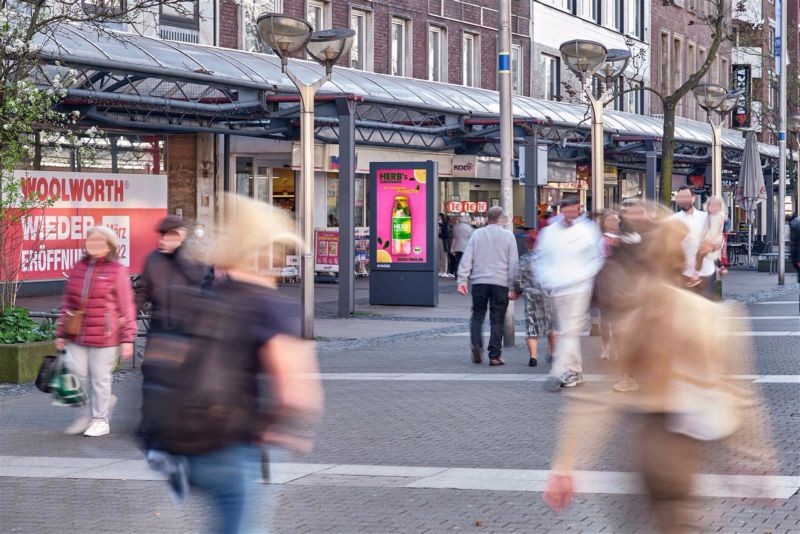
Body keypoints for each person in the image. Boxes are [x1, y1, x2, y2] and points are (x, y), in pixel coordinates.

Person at [543, 216, 778, 533]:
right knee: (680, 519)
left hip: (647, 439)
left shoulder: (638, 317)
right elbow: (741, 395)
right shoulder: (717, 317)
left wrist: (566, 464)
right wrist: (755, 458)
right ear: (684, 265)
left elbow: (596, 398)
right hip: (688, 444)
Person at [141, 195, 323, 533]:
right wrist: (286, 431)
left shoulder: (209, 295)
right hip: (235, 446)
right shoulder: (267, 305)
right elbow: (295, 392)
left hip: (187, 446)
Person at [55, 226, 137, 437]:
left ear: (109, 245)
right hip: (77, 333)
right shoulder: (79, 267)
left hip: (106, 335)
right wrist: (61, 332)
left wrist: (128, 338)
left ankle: (100, 420)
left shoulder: (117, 270)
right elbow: (68, 302)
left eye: (100, 241)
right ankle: (96, 408)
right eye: (91, 240)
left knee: (99, 378)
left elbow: (127, 306)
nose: (94, 244)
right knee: (78, 376)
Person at [535, 197, 604, 390]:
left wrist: (583, 276)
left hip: (579, 288)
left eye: (573, 210)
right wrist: (546, 279)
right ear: (561, 210)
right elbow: (541, 257)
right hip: (557, 288)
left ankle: (557, 371)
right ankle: (574, 370)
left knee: (568, 330)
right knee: (567, 331)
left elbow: (597, 258)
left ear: (578, 210)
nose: (569, 215)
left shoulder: (588, 231)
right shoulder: (549, 232)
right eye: (566, 211)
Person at [457, 206, 519, 366]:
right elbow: (513, 264)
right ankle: (494, 355)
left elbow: (467, 257)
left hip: (479, 282)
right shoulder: (508, 236)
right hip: (500, 283)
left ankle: (477, 344)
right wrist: (514, 287)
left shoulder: (477, 234)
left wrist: (462, 280)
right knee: (497, 319)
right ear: (501, 219)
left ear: (487, 218)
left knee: (477, 315)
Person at [135, 216, 211, 333]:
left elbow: (197, 277)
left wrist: (178, 252)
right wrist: (131, 315)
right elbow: (144, 290)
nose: (163, 239)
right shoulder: (152, 258)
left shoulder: (193, 254)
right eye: (162, 235)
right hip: (159, 325)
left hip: (187, 325)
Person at [514, 229, 556, 368]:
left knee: (531, 325)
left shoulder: (525, 259)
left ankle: (533, 357)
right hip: (549, 295)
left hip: (532, 296)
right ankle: (553, 354)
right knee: (551, 325)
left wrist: (517, 290)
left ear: (527, 243)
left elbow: (519, 278)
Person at [673, 186, 720, 298]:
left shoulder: (706, 218)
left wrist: (711, 247)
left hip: (705, 272)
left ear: (693, 198)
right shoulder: (673, 220)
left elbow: (718, 241)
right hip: (683, 274)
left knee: (706, 308)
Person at [598, 211, 621, 361]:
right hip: (605, 281)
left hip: (620, 282)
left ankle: (619, 349)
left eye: (615, 220)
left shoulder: (624, 238)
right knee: (605, 318)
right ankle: (605, 347)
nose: (612, 223)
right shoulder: (600, 240)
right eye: (609, 220)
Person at [437, 213, 453, 278]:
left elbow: (446, 234)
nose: (438, 218)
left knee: (444, 256)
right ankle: (441, 270)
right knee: (440, 256)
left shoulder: (445, 225)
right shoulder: (437, 224)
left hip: (443, 241)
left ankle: (444, 271)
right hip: (439, 240)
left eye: (439, 217)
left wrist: (440, 233)